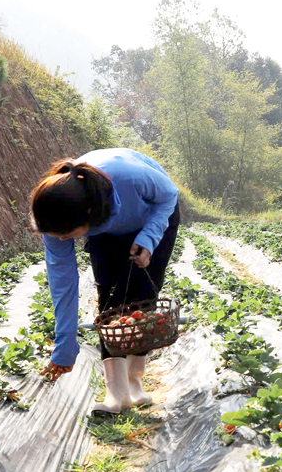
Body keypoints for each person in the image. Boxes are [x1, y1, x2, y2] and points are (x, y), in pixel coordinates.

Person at [30, 148, 180, 414]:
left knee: (144, 296)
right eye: (56, 236)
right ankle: (116, 393)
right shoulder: (55, 216)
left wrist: (148, 237)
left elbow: (169, 195)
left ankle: (135, 382)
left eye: (66, 235)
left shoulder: (129, 177)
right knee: (110, 300)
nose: (62, 240)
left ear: (87, 214)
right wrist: (65, 343)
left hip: (154, 214)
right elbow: (63, 283)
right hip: (105, 228)